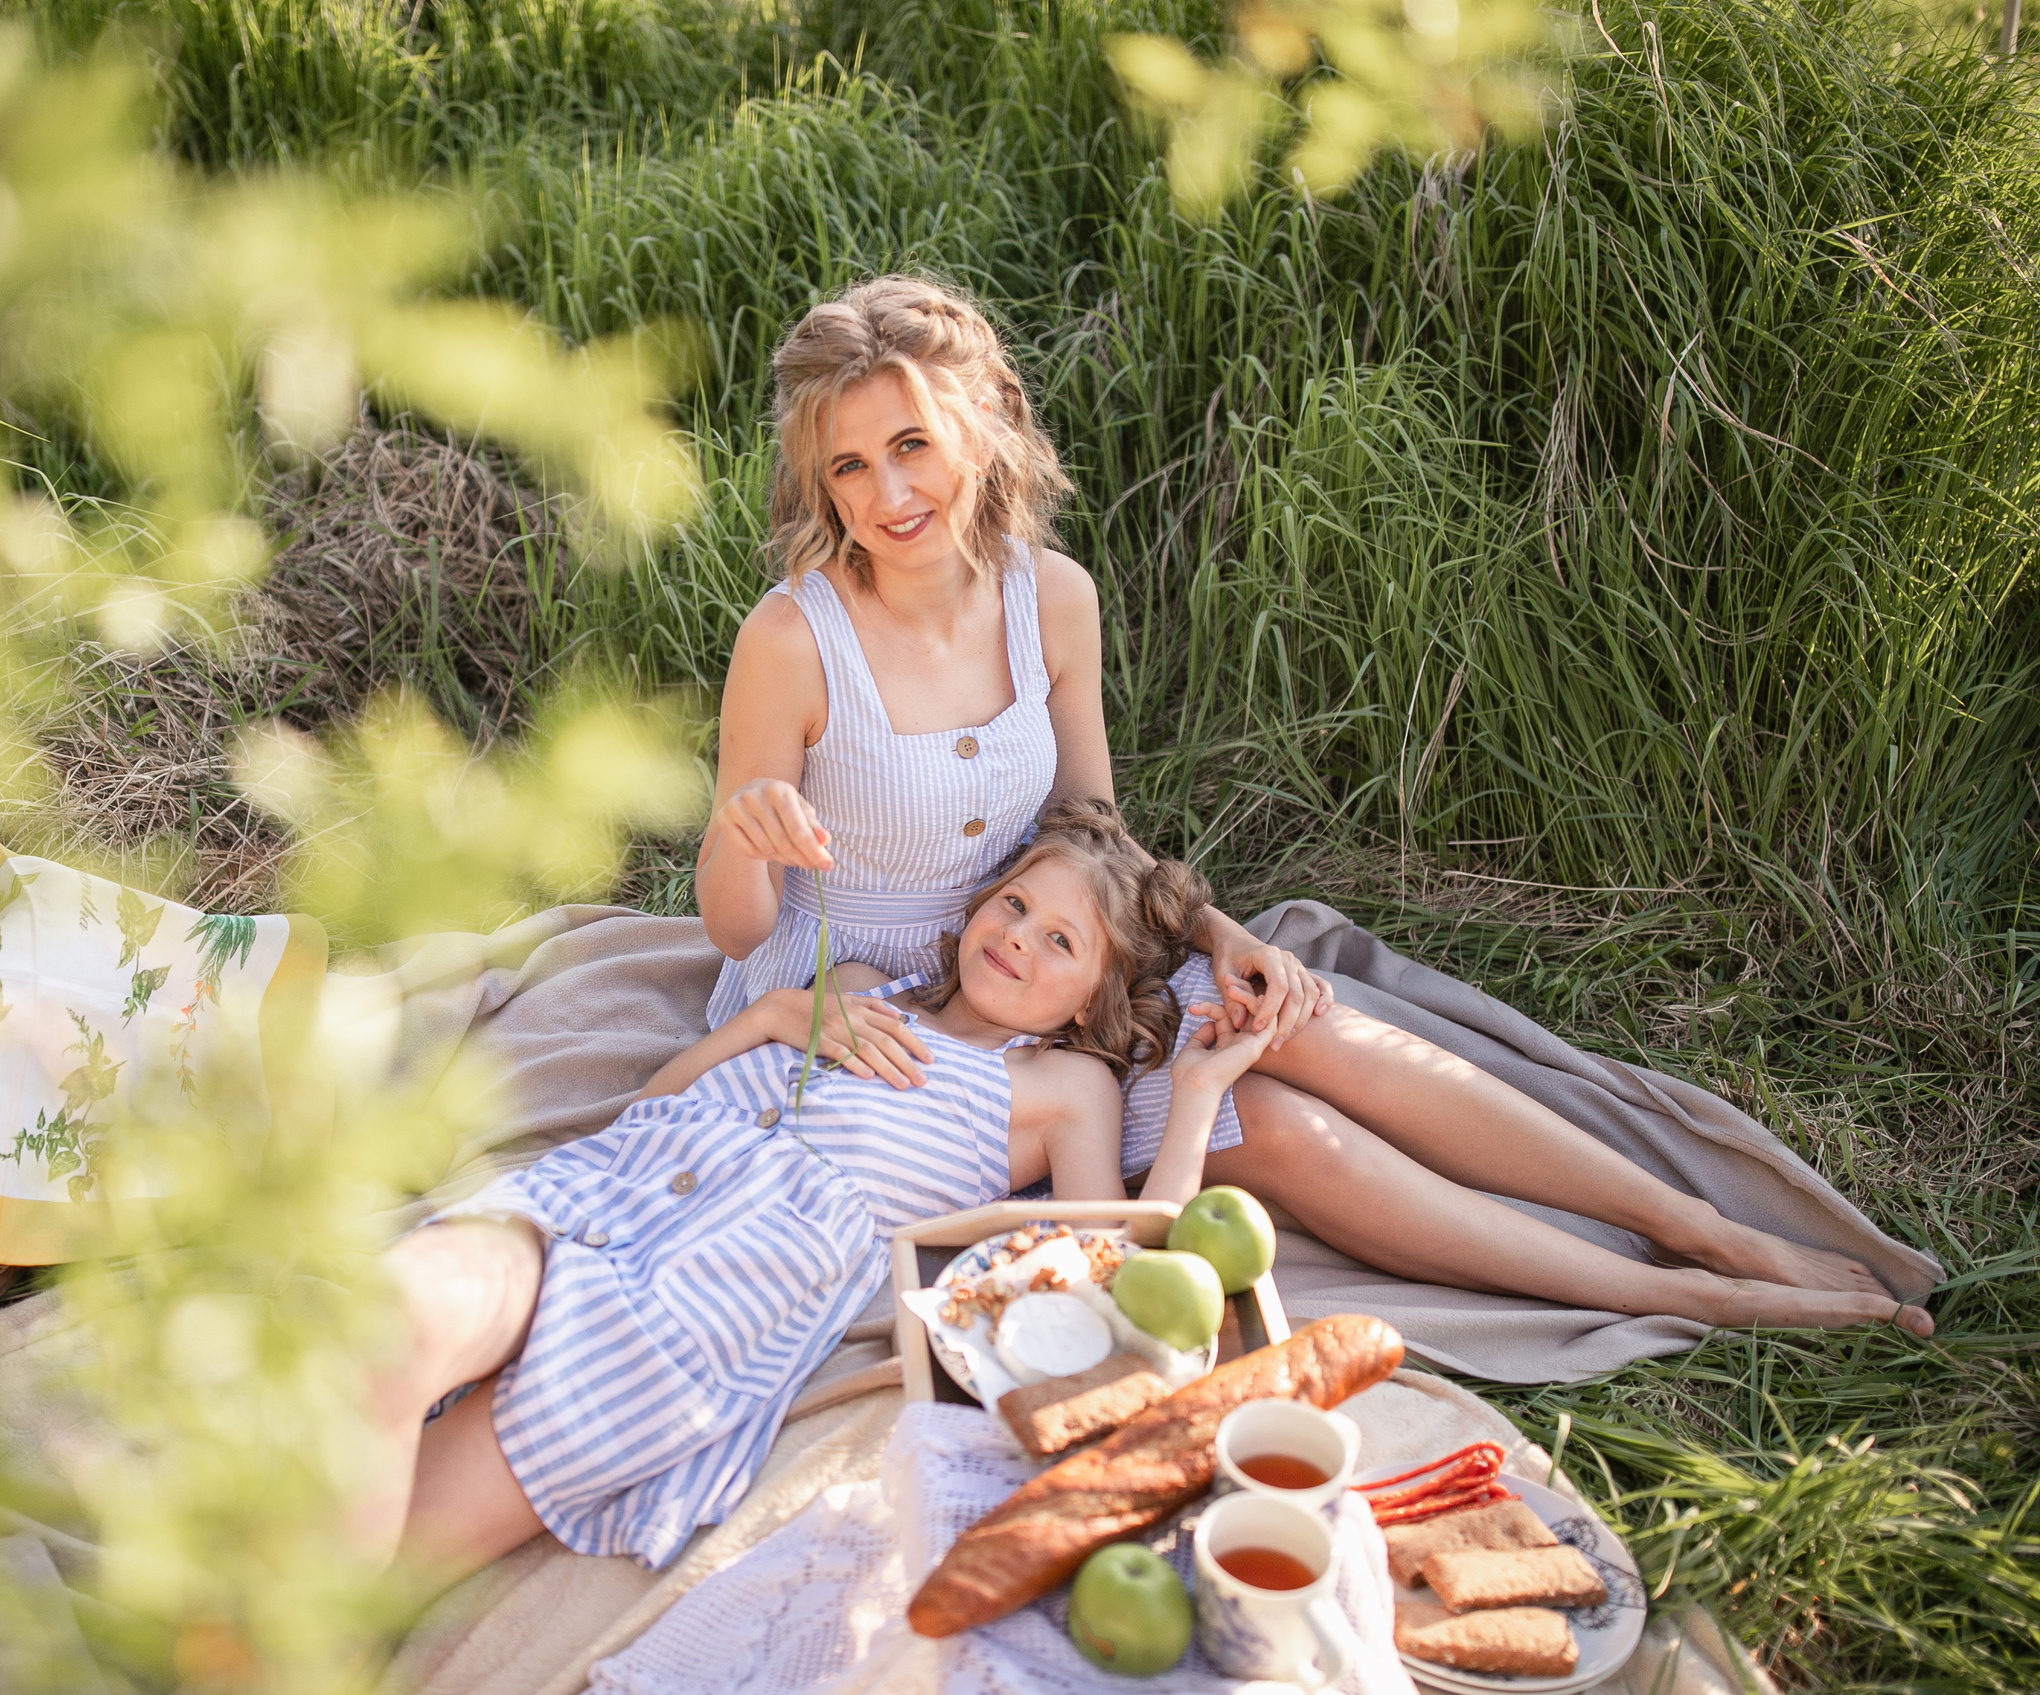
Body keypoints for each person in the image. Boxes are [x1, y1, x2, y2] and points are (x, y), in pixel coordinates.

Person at [697, 274, 1933, 1342]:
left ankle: (1694, 1226)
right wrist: (739, 831)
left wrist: (1211, 933)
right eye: (845, 466)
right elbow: (733, 927)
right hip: (870, 1011)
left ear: (982, 426)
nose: (882, 496)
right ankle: (1666, 1297)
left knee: (1293, 1016)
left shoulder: (1049, 595)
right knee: (1272, 1127)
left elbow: (1088, 828)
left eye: (909, 444)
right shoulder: (793, 637)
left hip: (1050, 939)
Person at [363, 802, 1273, 1575]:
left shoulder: (1061, 1090)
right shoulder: (863, 984)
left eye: (1062, 939)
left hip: (723, 1283)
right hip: (612, 1188)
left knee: (393, 1558)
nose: (1018, 937)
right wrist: (768, 1015)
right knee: (387, 1328)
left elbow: (1122, 1264)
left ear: (1092, 997)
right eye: (1015, 902)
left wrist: (1196, 1096)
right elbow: (653, 1104)